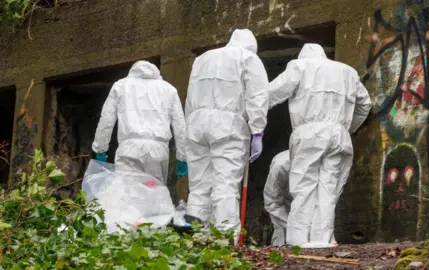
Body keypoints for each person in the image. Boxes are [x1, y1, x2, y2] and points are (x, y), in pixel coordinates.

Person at [268, 44, 372, 247]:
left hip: (309, 133)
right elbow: (365, 104)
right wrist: (347, 128)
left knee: (304, 186)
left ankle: (297, 241)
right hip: (339, 135)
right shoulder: (348, 72)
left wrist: (249, 113)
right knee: (328, 189)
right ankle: (321, 240)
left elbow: (271, 93)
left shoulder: (299, 66)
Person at [184, 29, 269, 233]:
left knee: (199, 188)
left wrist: (189, 127)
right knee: (226, 185)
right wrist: (257, 130)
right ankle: (225, 244)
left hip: (196, 124)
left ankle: (195, 241)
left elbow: (189, 95)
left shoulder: (203, 58)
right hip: (227, 125)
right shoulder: (248, 58)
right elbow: (257, 96)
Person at [92, 60, 188, 185]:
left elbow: (107, 118)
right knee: (154, 196)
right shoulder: (169, 90)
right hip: (158, 151)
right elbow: (180, 125)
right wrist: (183, 157)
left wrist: (100, 148)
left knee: (127, 198)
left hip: (129, 150)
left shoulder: (121, 86)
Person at [263, 150, 292, 246]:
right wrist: (292, 226)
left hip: (308, 203)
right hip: (283, 202)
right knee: (282, 234)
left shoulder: (322, 162)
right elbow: (272, 201)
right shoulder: (281, 165)